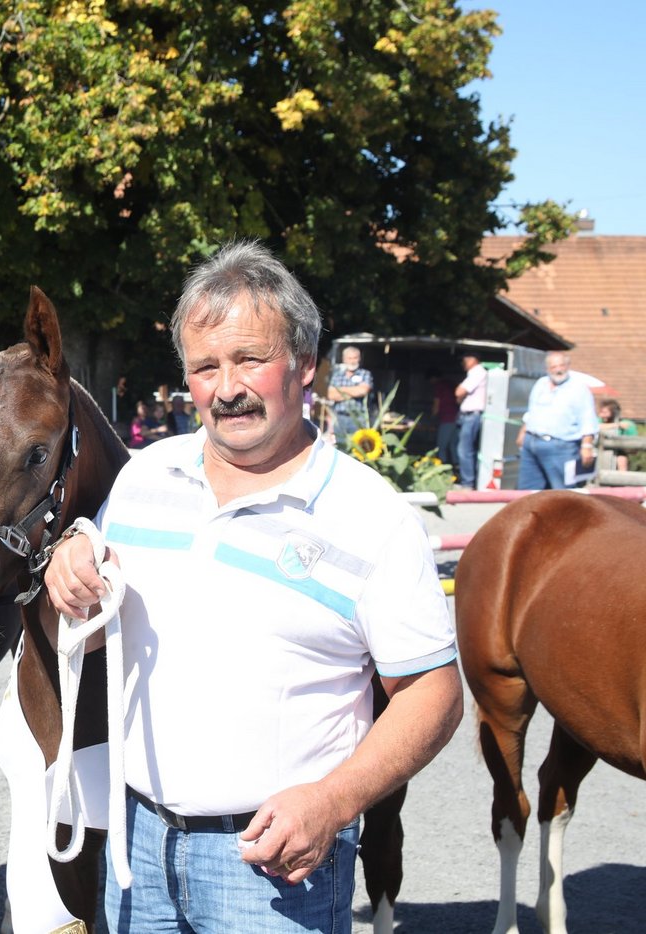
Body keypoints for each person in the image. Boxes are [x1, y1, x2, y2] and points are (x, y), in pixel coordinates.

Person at [43, 241, 462, 934]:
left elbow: (433, 694)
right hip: (136, 845)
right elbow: (90, 628)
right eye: (205, 367)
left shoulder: (371, 517)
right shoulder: (143, 479)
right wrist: (69, 575)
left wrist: (334, 801)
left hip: (274, 867)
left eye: (249, 359)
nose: (226, 387)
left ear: (305, 364)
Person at [516, 351, 599, 491]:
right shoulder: (541, 384)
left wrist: (587, 446)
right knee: (528, 491)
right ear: (547, 369)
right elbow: (532, 411)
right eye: (554, 366)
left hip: (561, 446)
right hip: (532, 442)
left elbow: (588, 418)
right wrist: (523, 432)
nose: (558, 370)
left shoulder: (578, 388)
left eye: (561, 365)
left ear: (568, 366)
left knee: (562, 491)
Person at [326, 345, 375, 446]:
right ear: (344, 359)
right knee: (340, 447)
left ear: (359, 358)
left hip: (358, 418)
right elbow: (331, 395)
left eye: (355, 358)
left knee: (358, 448)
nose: (352, 361)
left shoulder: (365, 374)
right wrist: (354, 391)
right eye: (349, 358)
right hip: (340, 418)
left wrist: (340, 390)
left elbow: (363, 391)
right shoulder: (337, 375)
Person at [453, 351, 487, 488]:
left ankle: (467, 483)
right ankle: (468, 480)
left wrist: (459, 395)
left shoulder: (477, 372)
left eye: (465, 360)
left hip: (472, 416)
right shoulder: (474, 374)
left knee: (464, 450)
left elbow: (459, 392)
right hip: (467, 416)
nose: (463, 363)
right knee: (465, 449)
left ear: (473, 360)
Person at [429, 370, 460, 472]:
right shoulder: (451, 383)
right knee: (453, 444)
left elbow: (436, 404)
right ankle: (457, 466)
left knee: (441, 446)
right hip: (458, 417)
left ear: (433, 378)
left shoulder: (439, 386)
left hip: (447, 418)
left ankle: (442, 467)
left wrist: (432, 418)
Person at [598, 397, 637, 472]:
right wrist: (617, 425)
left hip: (617, 454)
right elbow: (595, 427)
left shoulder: (627, 424)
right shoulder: (598, 421)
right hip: (599, 451)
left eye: (605, 413)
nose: (602, 415)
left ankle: (622, 477)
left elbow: (634, 449)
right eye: (601, 412)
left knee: (621, 459)